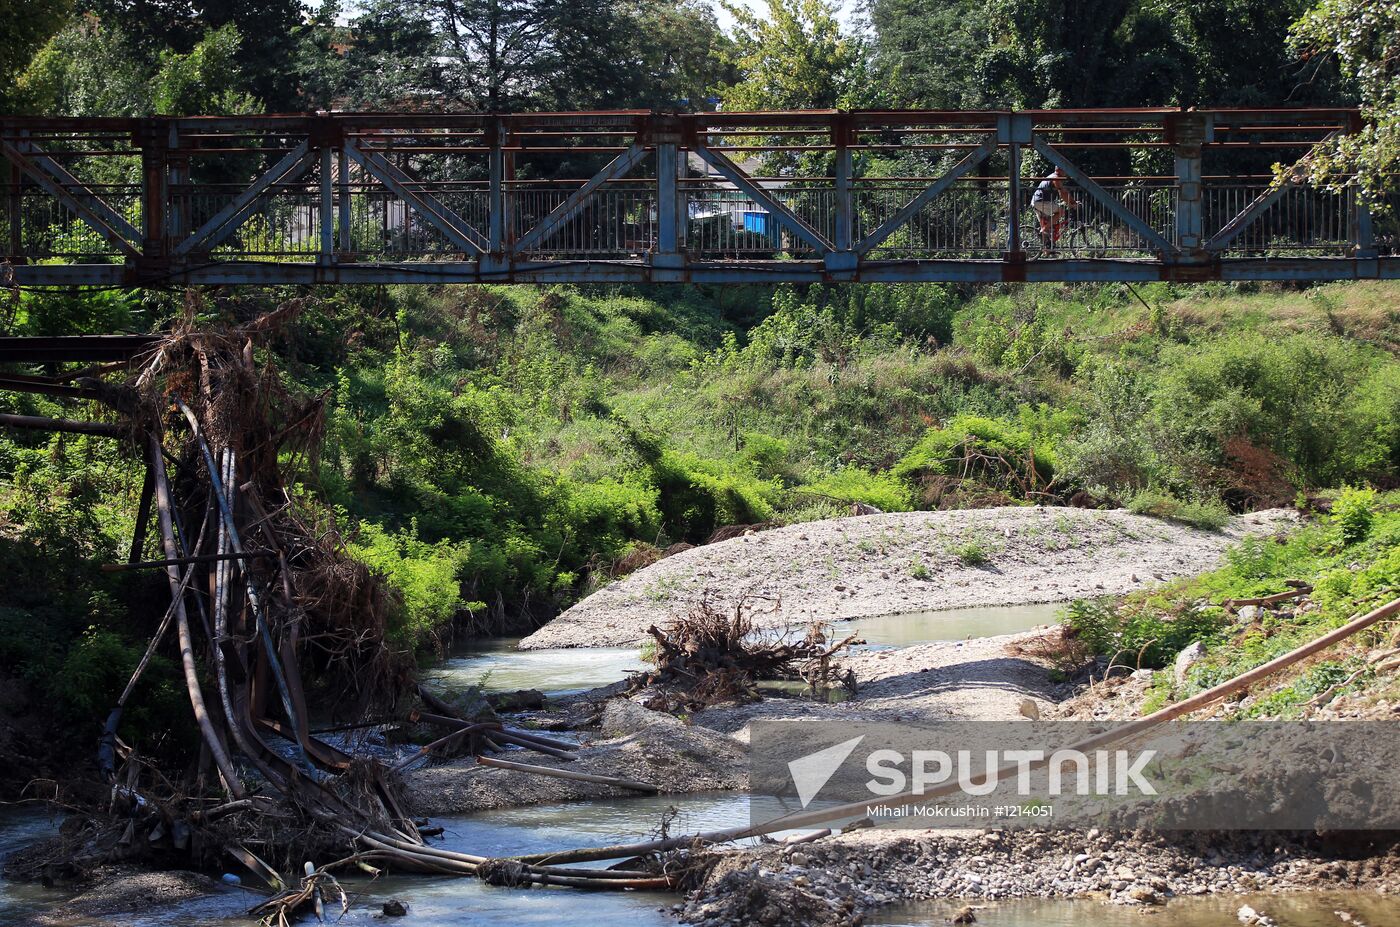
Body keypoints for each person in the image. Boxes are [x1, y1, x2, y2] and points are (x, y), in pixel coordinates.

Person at [1030, 166, 1077, 253]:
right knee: (1061, 211)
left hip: (1036, 202)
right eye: (1064, 171)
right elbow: (1063, 193)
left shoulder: (1053, 176)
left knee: (1046, 225)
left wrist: (1071, 202)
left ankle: (1047, 250)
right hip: (1040, 202)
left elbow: (1063, 193)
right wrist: (1072, 204)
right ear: (1059, 170)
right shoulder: (1056, 177)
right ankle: (1044, 230)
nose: (1066, 173)